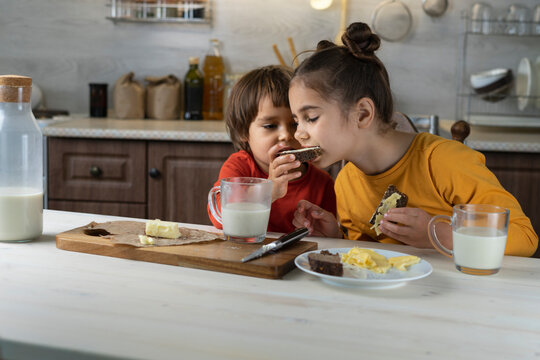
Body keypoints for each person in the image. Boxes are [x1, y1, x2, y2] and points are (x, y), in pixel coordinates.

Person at [290, 22, 538, 256]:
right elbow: (368, 259)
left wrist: (438, 234)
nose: (298, 133)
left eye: (310, 117)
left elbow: (524, 238)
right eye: (296, 121)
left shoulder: (443, 161)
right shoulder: (346, 183)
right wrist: (335, 238)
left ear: (363, 114)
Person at [208, 65, 336, 234]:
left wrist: (334, 233)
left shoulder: (323, 183)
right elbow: (220, 218)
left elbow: (330, 242)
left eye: (295, 124)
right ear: (243, 132)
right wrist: (267, 192)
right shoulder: (239, 168)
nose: (285, 135)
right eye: (270, 125)